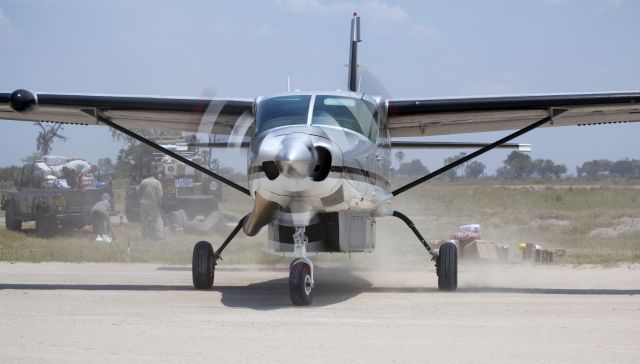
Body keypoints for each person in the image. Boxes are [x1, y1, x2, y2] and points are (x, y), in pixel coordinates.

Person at [136, 172, 165, 240]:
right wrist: (159, 202)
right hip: (153, 204)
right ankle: (159, 236)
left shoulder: (143, 181)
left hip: (143, 204)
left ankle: (145, 237)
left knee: (144, 221)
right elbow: (160, 194)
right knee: (157, 220)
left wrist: (140, 197)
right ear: (156, 176)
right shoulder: (157, 182)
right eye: (159, 176)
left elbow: (137, 190)